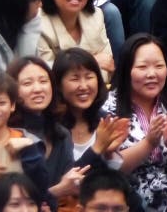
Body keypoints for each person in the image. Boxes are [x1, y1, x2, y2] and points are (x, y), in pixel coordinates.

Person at [101, 35, 167, 211]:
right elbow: (109, 169)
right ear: (127, 69)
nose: (152, 74)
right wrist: (148, 143)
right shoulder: (108, 108)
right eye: (142, 67)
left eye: (159, 66)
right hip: (128, 195)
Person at [6, 56, 103, 203]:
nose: (38, 89)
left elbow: (70, 183)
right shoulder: (5, 134)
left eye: (43, 81)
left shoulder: (61, 133)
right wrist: (57, 191)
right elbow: (3, 200)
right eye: (27, 83)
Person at [37, 0, 114, 81]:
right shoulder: (38, 23)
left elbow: (107, 66)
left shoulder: (96, 16)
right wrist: (93, 61)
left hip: (97, 93)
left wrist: (70, 70)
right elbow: (47, 75)